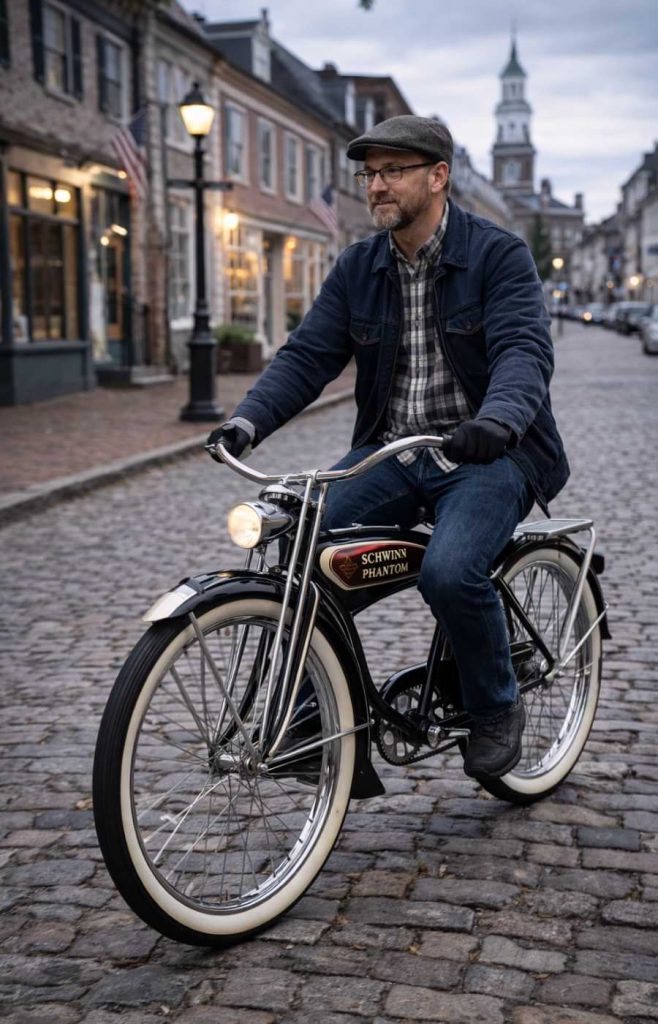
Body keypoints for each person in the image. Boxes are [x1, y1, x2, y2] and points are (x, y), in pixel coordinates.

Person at [208, 115, 569, 779]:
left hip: (489, 455)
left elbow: (524, 349)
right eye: (369, 173)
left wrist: (500, 419)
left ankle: (495, 704)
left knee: (451, 570)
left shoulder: (498, 254)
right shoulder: (359, 265)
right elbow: (308, 354)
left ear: (438, 177)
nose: (376, 186)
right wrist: (246, 422)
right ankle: (320, 716)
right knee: (305, 544)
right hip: (393, 452)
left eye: (392, 171)